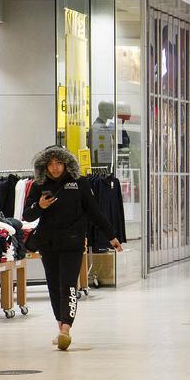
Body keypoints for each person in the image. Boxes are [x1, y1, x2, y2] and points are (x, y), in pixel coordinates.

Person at [24, 146, 122, 351]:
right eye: (50, 164)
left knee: (68, 284)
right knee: (53, 286)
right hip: (48, 244)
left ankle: (66, 329)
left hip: (73, 243)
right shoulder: (39, 185)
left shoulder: (80, 183)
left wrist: (111, 236)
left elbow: (95, 211)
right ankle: (61, 327)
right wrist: (40, 206)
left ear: (66, 164)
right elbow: (28, 216)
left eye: (58, 163)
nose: (55, 168)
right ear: (44, 166)